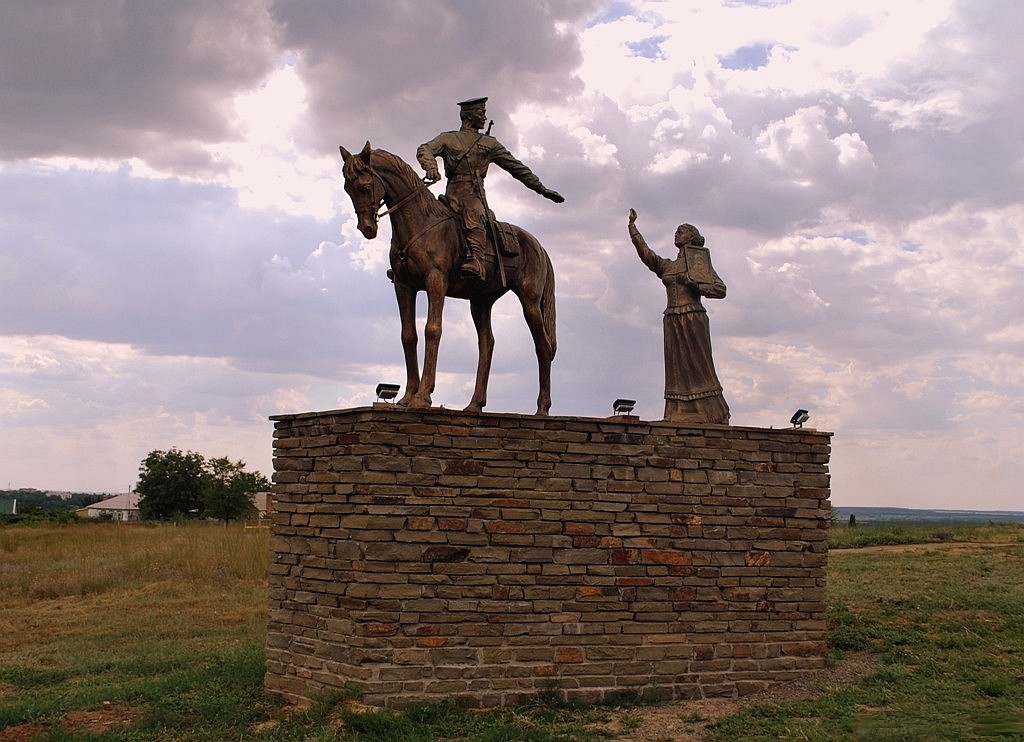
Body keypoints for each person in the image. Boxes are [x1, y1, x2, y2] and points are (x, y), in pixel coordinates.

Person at [417, 97, 564, 280]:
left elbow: (516, 168)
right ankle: (413, 262)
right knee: (424, 217)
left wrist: (541, 188)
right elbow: (425, 149)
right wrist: (431, 167)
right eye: (481, 113)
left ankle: (477, 259)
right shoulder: (448, 138)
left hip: (473, 196)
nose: (485, 118)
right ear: (469, 116)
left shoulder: (490, 144)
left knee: (472, 213)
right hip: (451, 195)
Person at [627, 208, 730, 424]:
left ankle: (710, 410)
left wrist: (693, 283)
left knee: (698, 364)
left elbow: (720, 290)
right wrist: (633, 229)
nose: (676, 234)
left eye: (681, 231)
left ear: (691, 237)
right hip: (672, 319)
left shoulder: (698, 264)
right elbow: (648, 256)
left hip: (693, 317)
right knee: (677, 365)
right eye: (676, 231)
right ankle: (680, 410)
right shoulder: (669, 266)